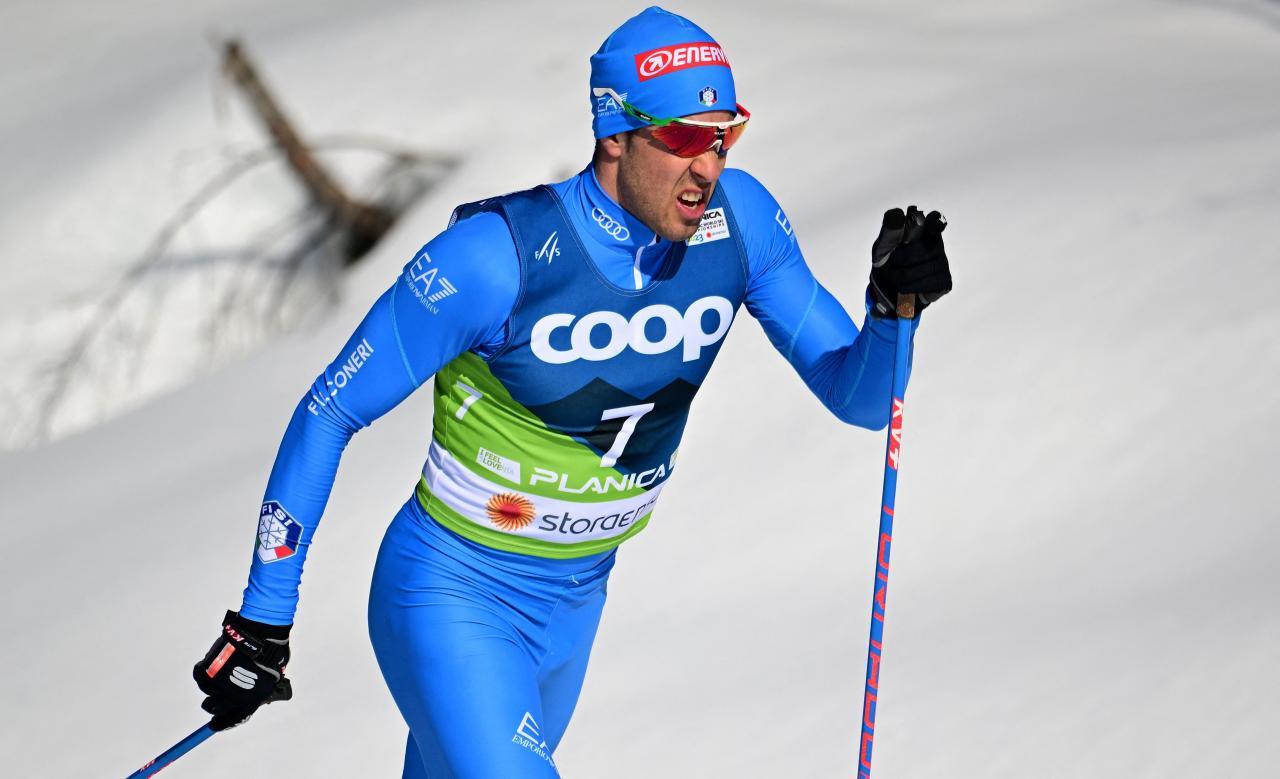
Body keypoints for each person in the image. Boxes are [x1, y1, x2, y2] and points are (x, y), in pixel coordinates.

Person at [192, 6, 952, 777]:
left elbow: (860, 399)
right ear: (614, 132)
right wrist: (264, 614)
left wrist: (891, 313)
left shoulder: (741, 224)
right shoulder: (495, 258)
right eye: (683, 138)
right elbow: (330, 409)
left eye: (724, 136)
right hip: (452, 592)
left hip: (576, 601)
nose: (708, 167)